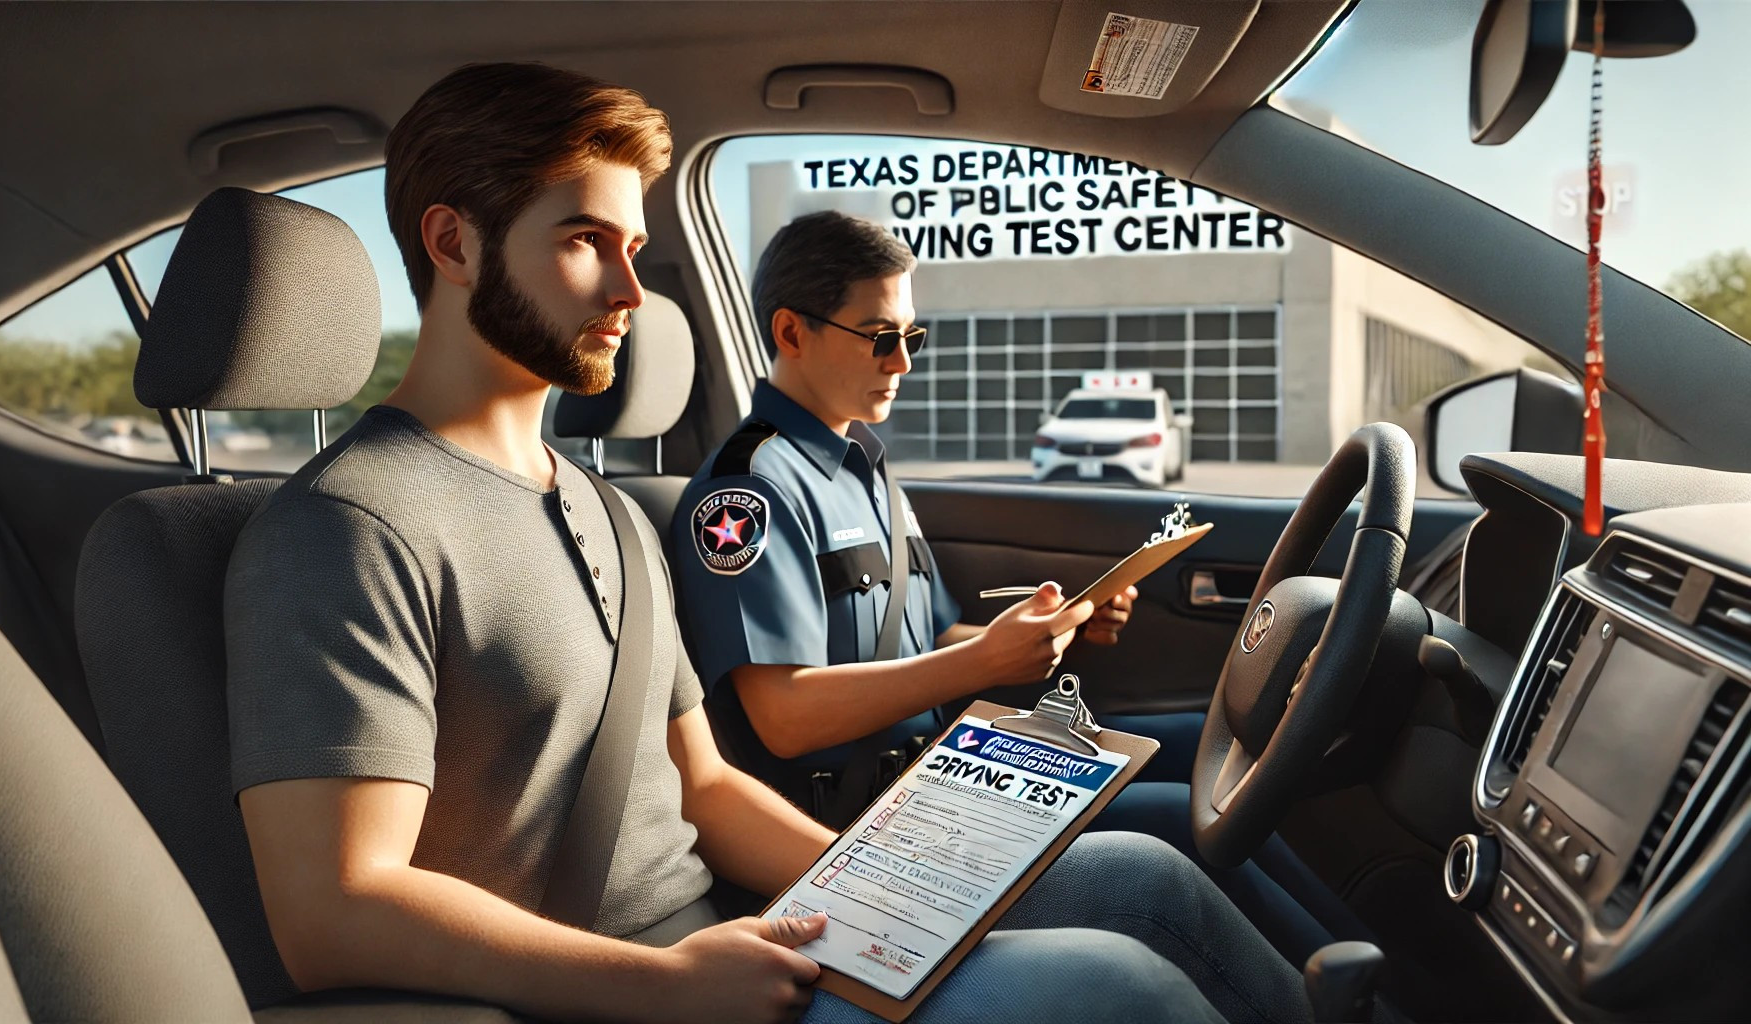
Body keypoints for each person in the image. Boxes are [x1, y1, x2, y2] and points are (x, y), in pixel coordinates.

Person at [225, 62, 1311, 1024]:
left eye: (633, 247)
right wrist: (661, 984)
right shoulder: (349, 527)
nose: (628, 290)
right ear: (453, 242)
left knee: (1142, 884)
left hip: (749, 939)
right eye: (581, 241)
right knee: (1113, 988)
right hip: (629, 986)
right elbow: (334, 910)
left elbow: (700, 785)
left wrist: (889, 893)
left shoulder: (602, 509)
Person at [671, 210, 1349, 969]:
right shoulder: (745, 493)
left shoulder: (864, 464)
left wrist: (1047, 631)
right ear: (792, 332)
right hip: (861, 825)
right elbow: (784, 718)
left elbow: (927, 646)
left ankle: (1364, 972)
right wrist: (983, 664)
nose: (903, 362)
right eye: (880, 337)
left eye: (912, 338)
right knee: (1176, 827)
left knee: (1203, 747)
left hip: (939, 774)